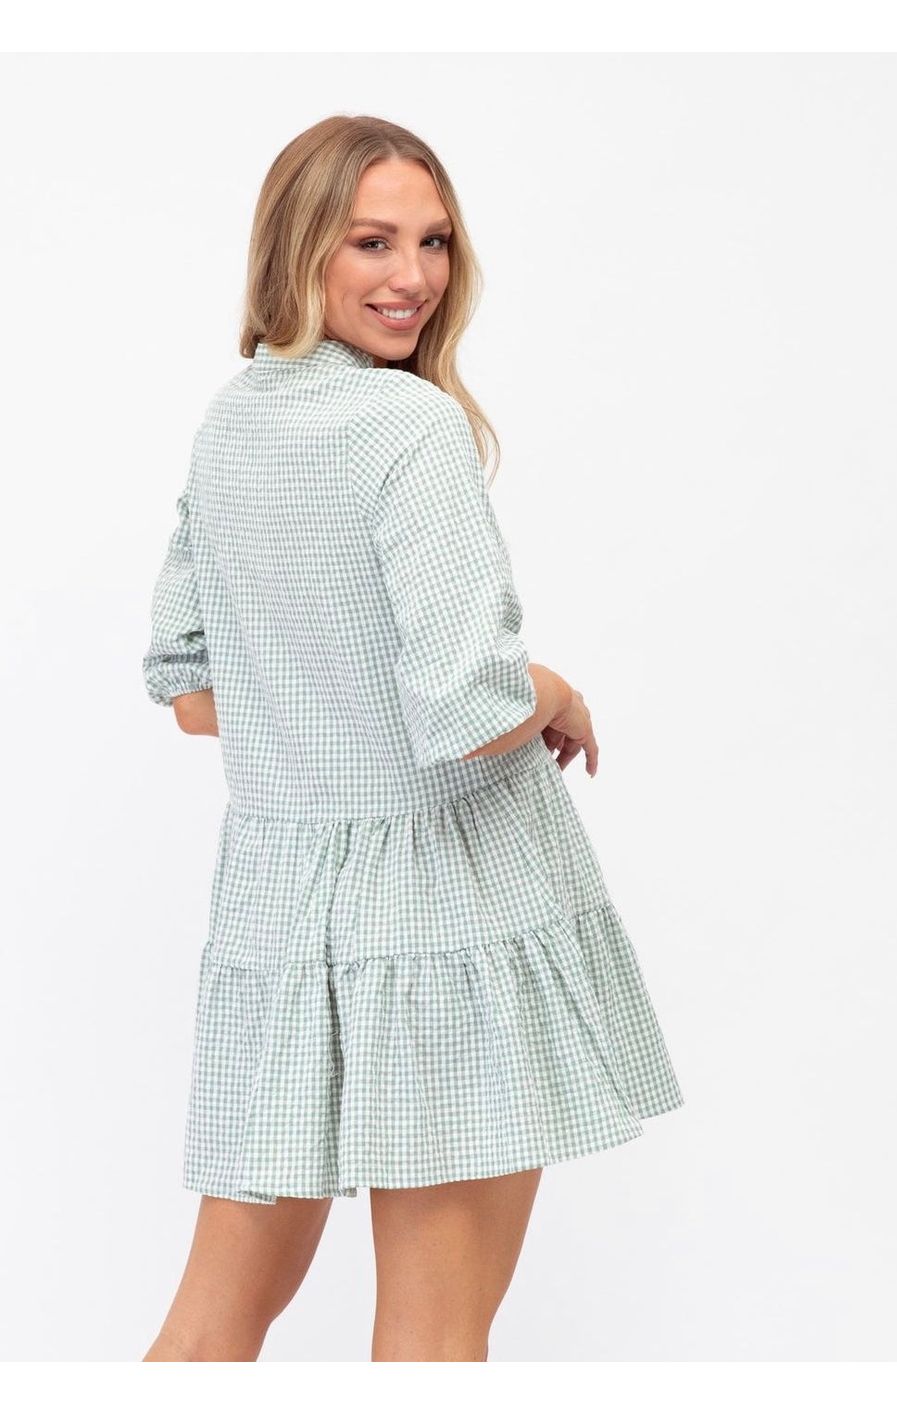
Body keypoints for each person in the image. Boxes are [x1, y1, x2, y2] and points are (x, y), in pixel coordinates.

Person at [140, 114, 684, 1363]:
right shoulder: (410, 428)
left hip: (283, 918)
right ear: (298, 249)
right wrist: (553, 688)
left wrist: (326, 699)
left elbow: (194, 693)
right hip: (445, 913)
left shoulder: (233, 422)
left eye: (433, 242)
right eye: (372, 241)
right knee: (435, 1347)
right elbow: (471, 712)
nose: (414, 276)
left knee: (209, 1331)